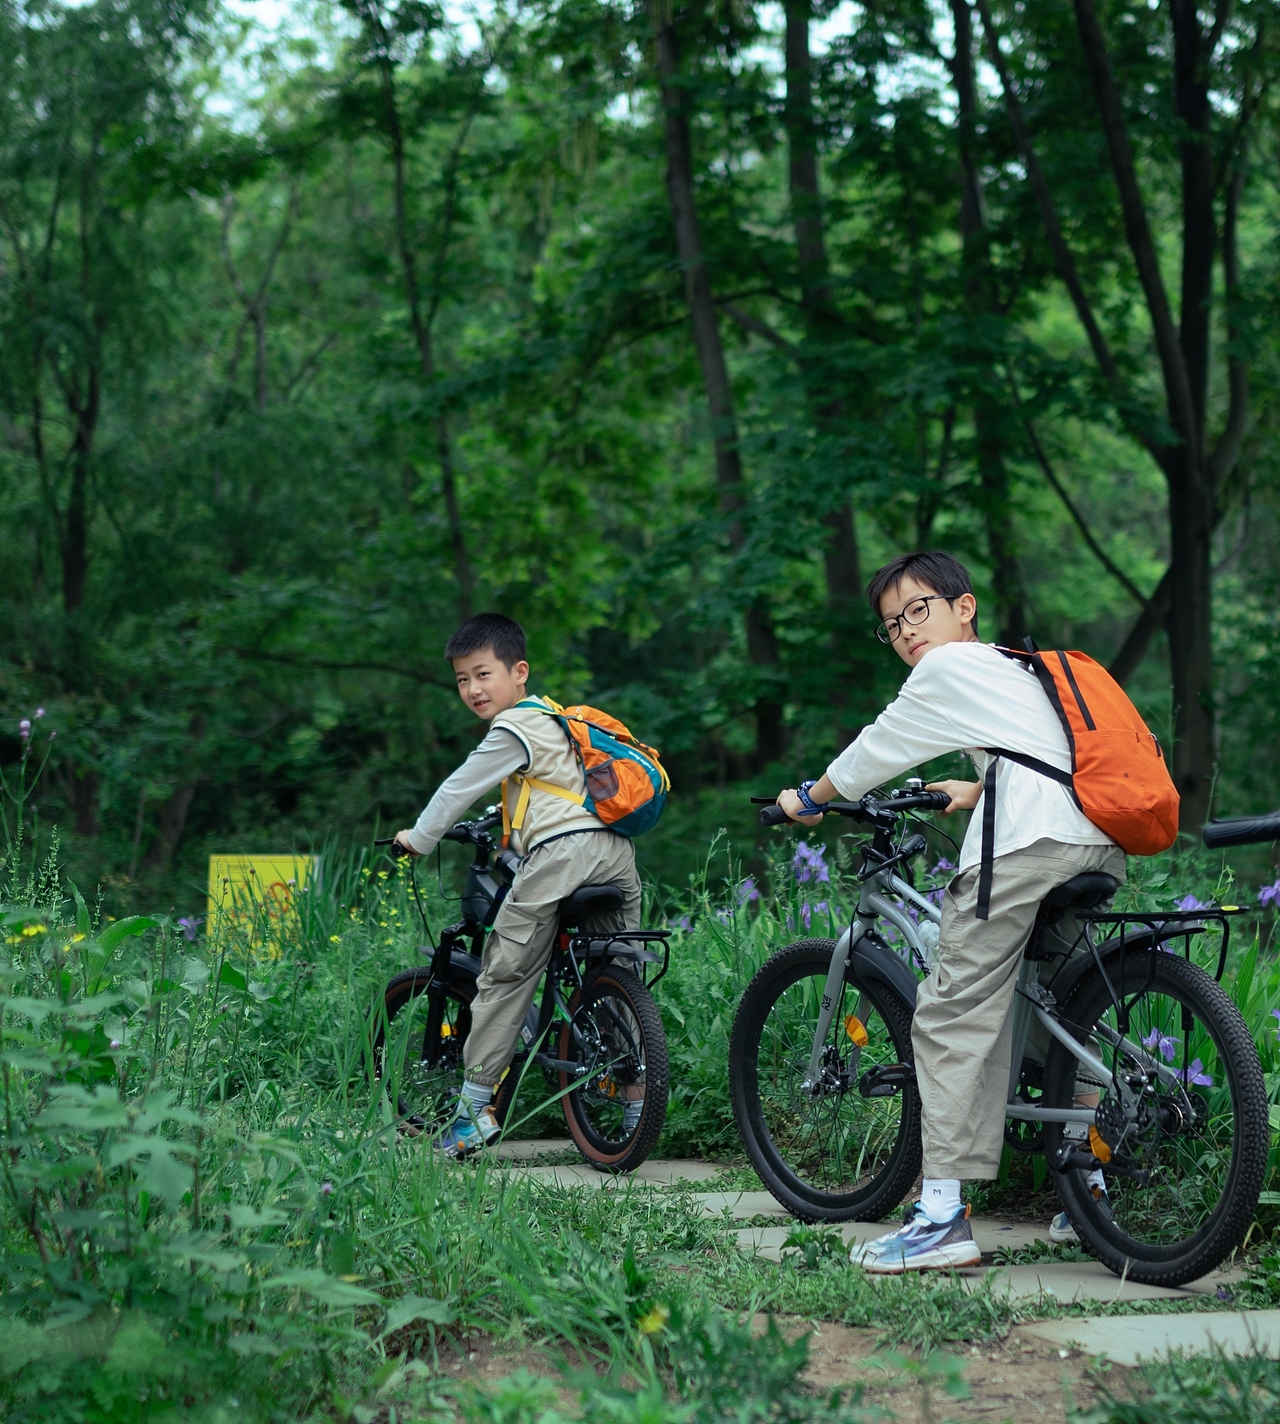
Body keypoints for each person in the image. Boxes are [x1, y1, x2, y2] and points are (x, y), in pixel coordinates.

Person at [776, 551, 1124, 1272]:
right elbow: (1042, 753)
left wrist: (810, 797)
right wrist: (972, 790)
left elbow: (878, 747)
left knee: (949, 1014)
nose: (904, 631)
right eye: (891, 624)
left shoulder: (944, 670)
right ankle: (1086, 1188)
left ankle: (940, 1219)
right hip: (1097, 841)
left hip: (1028, 848)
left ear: (962, 608)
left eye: (917, 610)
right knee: (1065, 1009)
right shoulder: (1015, 666)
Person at [394, 613, 641, 1157]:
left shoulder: (514, 727)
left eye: (483, 674)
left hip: (565, 855)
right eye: (462, 679)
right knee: (614, 969)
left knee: (505, 974)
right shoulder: (556, 723)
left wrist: (419, 837)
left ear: (518, 671)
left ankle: (471, 1117)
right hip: (616, 853)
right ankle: (635, 1104)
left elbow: (458, 786)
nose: (473, 689)